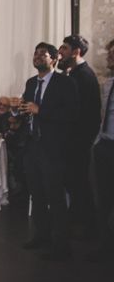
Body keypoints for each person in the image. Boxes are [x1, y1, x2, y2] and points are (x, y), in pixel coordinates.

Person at [19, 42, 78, 261]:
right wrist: (19, 110)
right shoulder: (31, 82)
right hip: (32, 145)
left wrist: (40, 110)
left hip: (53, 147)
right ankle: (41, 235)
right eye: (35, 53)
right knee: (37, 194)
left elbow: (71, 115)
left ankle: (61, 245)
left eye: (42, 54)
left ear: (53, 59)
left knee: (55, 195)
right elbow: (27, 110)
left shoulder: (65, 83)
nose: (36, 57)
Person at [58, 35, 101, 237]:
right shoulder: (75, 74)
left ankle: (90, 226)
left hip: (77, 140)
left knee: (79, 182)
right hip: (74, 139)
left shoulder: (83, 76)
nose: (61, 52)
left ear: (76, 52)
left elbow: (84, 113)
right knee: (74, 182)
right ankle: (79, 221)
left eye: (65, 48)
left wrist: (78, 141)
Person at [89, 38, 114, 262]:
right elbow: (103, 114)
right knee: (103, 200)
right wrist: (97, 141)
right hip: (105, 146)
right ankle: (104, 248)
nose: (109, 58)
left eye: (112, 54)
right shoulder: (106, 84)